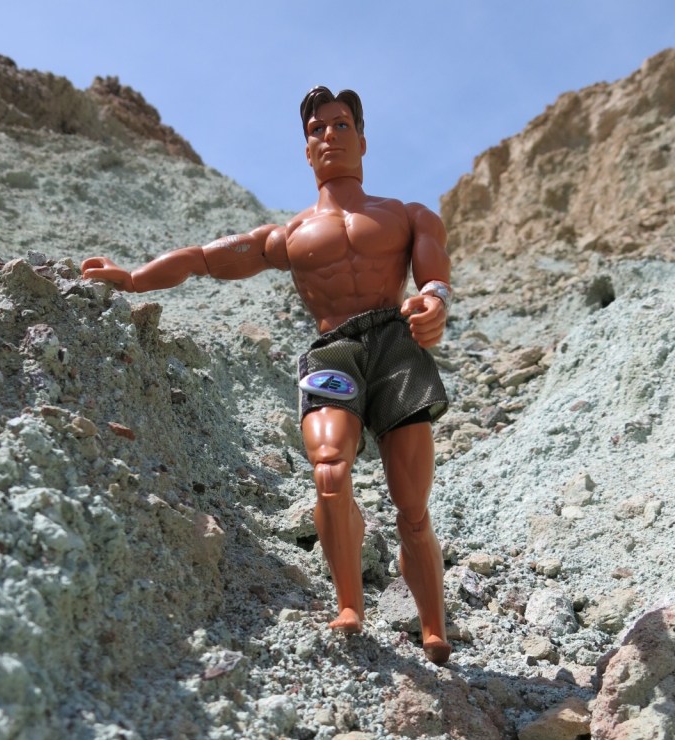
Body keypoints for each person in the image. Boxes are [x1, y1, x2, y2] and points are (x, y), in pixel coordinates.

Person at [82, 85, 452, 664]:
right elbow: (204, 258)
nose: (328, 135)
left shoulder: (408, 215)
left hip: (395, 346)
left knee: (412, 505)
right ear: (306, 151)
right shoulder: (290, 236)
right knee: (329, 470)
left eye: (340, 124)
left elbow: (433, 279)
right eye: (316, 130)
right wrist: (132, 279)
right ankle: (349, 603)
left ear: (362, 139)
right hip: (333, 351)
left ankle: (434, 626)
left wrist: (435, 300)